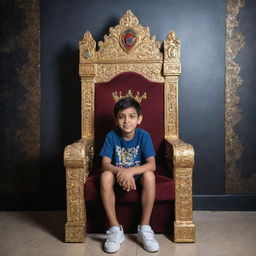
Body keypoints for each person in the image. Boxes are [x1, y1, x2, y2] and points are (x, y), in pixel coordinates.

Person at [100, 97, 160, 253]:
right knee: (105, 176)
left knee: (149, 176)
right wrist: (122, 172)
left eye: (132, 116)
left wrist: (131, 171)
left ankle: (144, 229)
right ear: (116, 120)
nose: (127, 121)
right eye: (121, 116)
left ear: (139, 119)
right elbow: (105, 164)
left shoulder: (143, 136)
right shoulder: (111, 136)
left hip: (137, 174)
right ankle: (115, 230)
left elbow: (152, 165)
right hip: (118, 174)